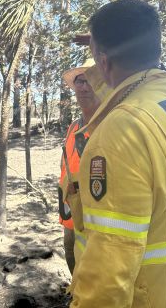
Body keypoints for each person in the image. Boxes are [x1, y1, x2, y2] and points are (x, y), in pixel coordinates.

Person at [70, 0, 166, 307]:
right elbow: (125, 83)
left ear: (104, 61)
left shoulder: (121, 132)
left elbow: (109, 270)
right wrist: (102, 55)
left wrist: (102, 55)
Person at [58, 58, 109, 274]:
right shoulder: (73, 127)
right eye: (80, 80)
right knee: (71, 253)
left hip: (99, 218)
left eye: (91, 80)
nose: (84, 86)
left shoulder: (111, 125)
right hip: (72, 212)